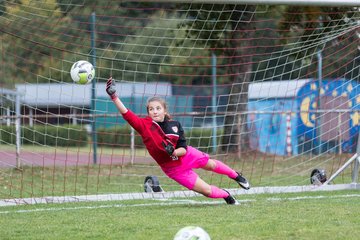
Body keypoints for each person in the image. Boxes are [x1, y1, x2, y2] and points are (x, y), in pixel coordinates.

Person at [106, 77, 250, 205]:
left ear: (164, 110)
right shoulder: (144, 126)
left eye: (158, 108)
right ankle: (227, 195)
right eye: (151, 109)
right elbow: (126, 113)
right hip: (173, 168)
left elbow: (183, 148)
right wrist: (114, 96)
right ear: (148, 112)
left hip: (187, 155)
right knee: (206, 191)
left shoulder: (175, 125)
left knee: (211, 164)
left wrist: (174, 151)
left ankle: (236, 176)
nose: (155, 111)